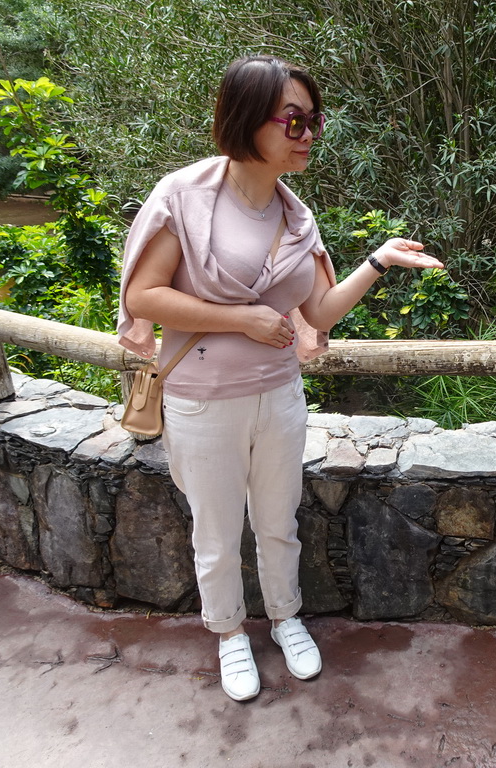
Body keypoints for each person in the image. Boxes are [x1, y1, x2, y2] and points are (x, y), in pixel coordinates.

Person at [116, 55, 444, 702]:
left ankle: (287, 617)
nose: (308, 135)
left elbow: (316, 313)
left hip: (279, 397)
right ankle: (230, 633)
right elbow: (146, 296)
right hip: (202, 401)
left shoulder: (297, 218)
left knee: (278, 521)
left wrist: (376, 262)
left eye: (313, 121)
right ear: (246, 119)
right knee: (215, 528)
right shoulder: (185, 197)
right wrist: (239, 320)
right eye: (292, 121)